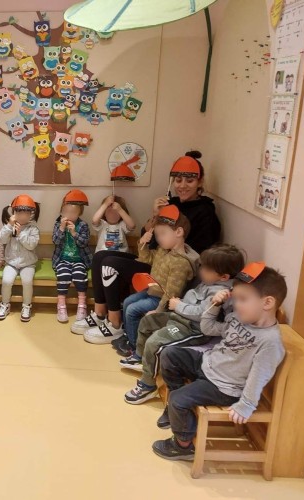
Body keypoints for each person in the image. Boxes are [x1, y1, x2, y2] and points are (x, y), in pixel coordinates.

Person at [73, 151, 220, 337]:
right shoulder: (170, 203)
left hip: (169, 268)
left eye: (189, 181)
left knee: (110, 263)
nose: (182, 185)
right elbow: (147, 235)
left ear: (200, 182)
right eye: (178, 180)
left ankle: (115, 322)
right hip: (153, 257)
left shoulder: (205, 212)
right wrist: (155, 215)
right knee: (100, 257)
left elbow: (194, 255)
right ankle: (100, 313)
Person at [152, 262, 286, 461]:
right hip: (208, 363)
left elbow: (259, 376)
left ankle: (183, 445)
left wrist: (246, 405)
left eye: (243, 299)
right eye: (236, 298)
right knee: (169, 354)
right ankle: (177, 410)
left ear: (267, 303)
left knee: (179, 399)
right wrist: (214, 305)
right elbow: (208, 328)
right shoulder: (239, 318)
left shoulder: (270, 341)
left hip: (224, 387)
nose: (236, 304)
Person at [121, 244, 245, 404]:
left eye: (206, 269)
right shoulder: (209, 282)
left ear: (224, 277)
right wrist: (180, 304)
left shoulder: (220, 293)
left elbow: (202, 314)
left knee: (154, 341)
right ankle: (140, 357)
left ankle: (148, 385)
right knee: (147, 321)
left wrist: (178, 306)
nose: (201, 271)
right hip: (180, 317)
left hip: (192, 328)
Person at [84, 205, 199, 345]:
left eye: (162, 234)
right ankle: (123, 331)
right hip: (152, 290)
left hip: (159, 298)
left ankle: (133, 344)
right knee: (127, 301)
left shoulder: (181, 262)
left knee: (132, 309)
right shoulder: (164, 250)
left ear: (179, 232)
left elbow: (171, 292)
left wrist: (158, 310)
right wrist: (143, 244)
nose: (159, 239)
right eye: (157, 235)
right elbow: (146, 259)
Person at [0, 194, 40, 322]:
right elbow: (1, 240)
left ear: (30, 214)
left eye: (26, 213)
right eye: (19, 213)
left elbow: (31, 245)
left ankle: (26, 306)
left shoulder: (33, 228)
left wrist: (20, 234)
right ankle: (5, 304)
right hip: (11, 262)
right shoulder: (10, 226)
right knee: (6, 281)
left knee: (27, 281)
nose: (22, 216)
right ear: (14, 213)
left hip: (28, 263)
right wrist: (9, 226)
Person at [52, 189, 93, 323]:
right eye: (66, 212)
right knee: (63, 276)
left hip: (79, 260)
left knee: (80, 276)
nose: (69, 215)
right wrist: (62, 228)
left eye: (73, 212)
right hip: (62, 259)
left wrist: (74, 233)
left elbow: (84, 243)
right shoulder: (58, 224)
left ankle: (82, 305)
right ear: (61, 212)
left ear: (79, 213)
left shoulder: (83, 225)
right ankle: (61, 305)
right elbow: (55, 241)